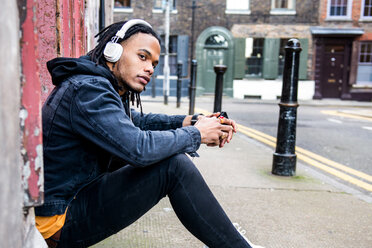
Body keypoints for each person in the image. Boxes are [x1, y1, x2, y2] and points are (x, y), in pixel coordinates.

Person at [35, 19, 263, 248]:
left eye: (154, 63)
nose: (150, 68)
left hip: (73, 199)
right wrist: (197, 134)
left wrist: (191, 121)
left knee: (168, 160)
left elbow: (138, 121)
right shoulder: (88, 90)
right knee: (173, 167)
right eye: (142, 57)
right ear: (112, 51)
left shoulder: (99, 86)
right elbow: (138, 148)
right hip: (59, 221)